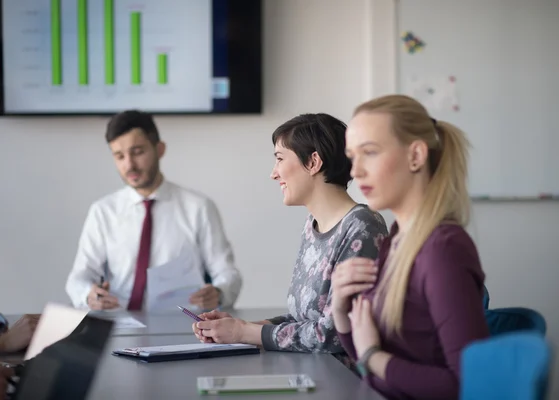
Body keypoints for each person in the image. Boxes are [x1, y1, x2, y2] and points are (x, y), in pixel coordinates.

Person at [192, 113, 388, 363]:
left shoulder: (362, 226)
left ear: (313, 162)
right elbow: (303, 320)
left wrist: (245, 332)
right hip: (313, 368)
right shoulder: (312, 225)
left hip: (345, 380)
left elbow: (333, 334)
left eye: (279, 159)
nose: (274, 173)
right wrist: (240, 327)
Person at [332, 95, 489, 399]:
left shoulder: (443, 249)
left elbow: (469, 384)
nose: (355, 171)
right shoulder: (396, 240)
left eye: (370, 153)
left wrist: (373, 356)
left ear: (415, 156)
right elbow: (370, 363)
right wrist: (341, 310)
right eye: (353, 157)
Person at [65, 110, 242, 311]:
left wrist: (218, 293)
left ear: (159, 149)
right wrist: (88, 295)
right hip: (119, 324)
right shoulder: (103, 211)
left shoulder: (198, 207)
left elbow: (228, 274)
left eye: (137, 152)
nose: (129, 165)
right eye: (119, 156)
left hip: (183, 325)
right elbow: (79, 277)